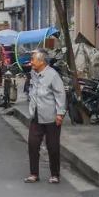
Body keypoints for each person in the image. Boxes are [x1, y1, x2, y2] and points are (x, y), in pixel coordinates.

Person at [24, 49, 66, 184]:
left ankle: (55, 174)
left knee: (53, 146)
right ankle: (33, 173)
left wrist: (60, 113)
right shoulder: (33, 73)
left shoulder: (52, 75)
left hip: (51, 116)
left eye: (33, 60)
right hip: (36, 115)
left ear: (41, 61)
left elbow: (60, 94)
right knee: (32, 144)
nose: (31, 63)